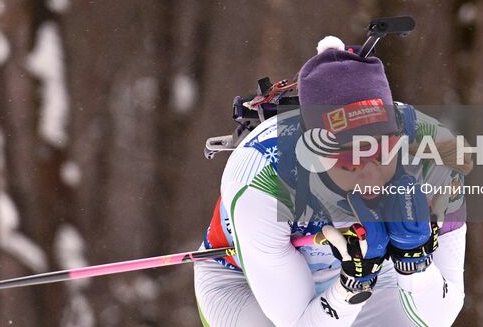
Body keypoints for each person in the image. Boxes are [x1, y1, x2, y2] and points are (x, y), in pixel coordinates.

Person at [194, 38, 467, 326]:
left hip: (377, 271)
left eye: (384, 151)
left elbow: (440, 316)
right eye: (350, 159)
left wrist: (416, 265)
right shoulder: (263, 182)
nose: (371, 175)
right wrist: (352, 285)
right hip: (243, 280)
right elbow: (298, 321)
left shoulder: (435, 156)